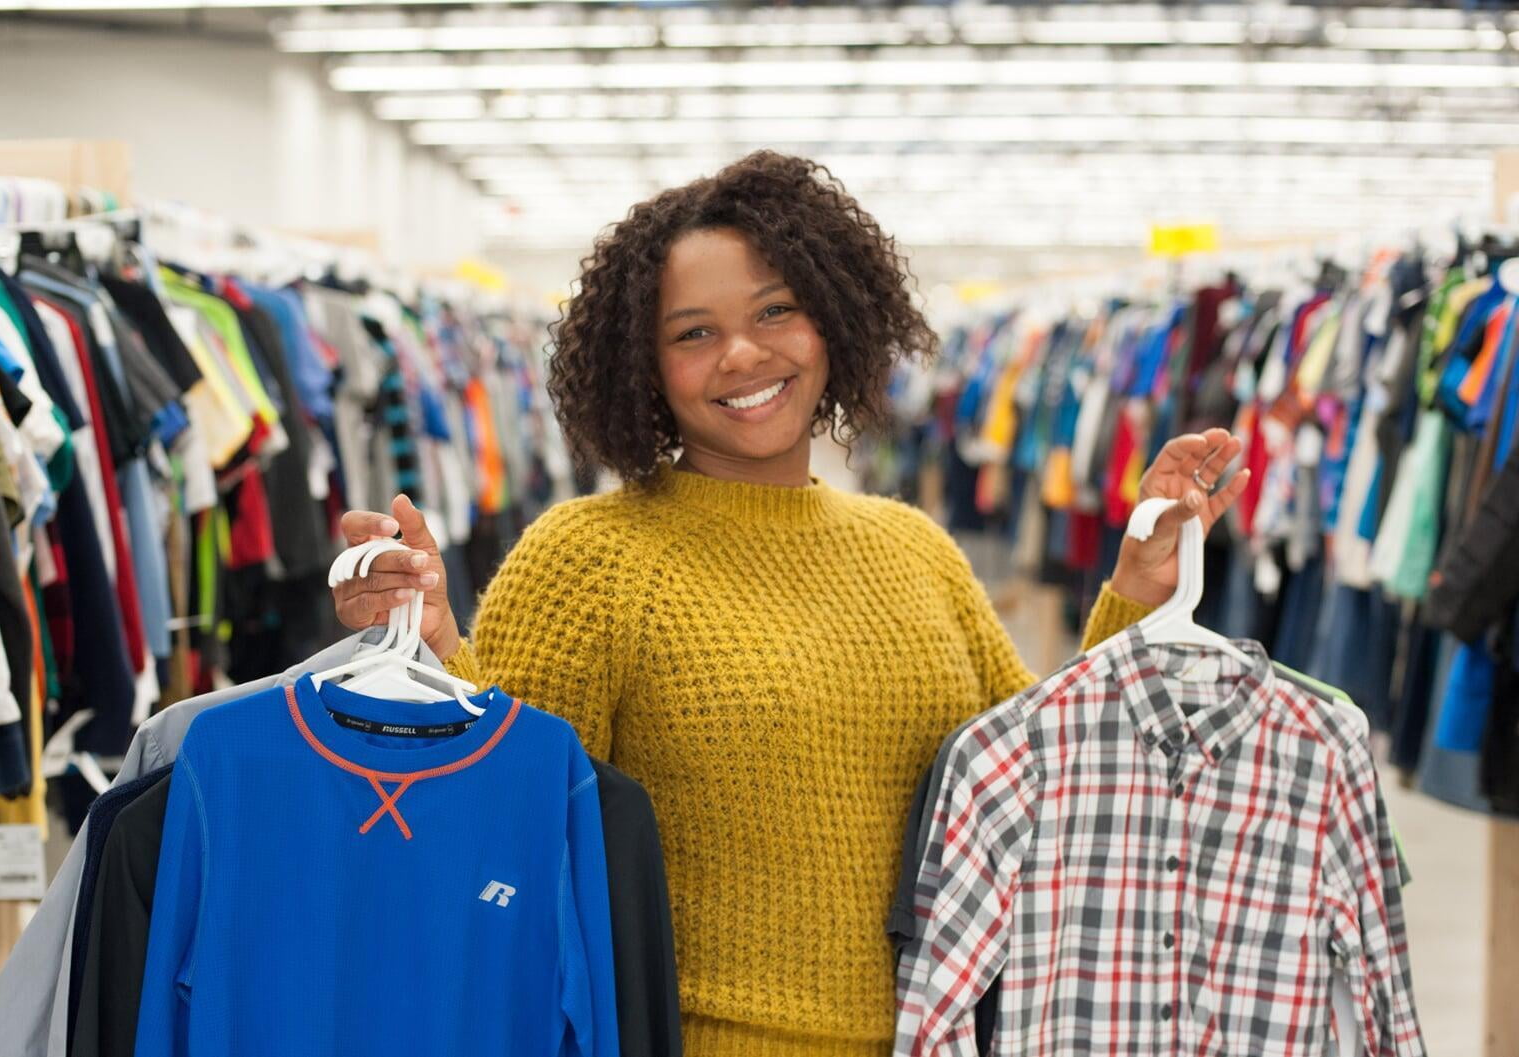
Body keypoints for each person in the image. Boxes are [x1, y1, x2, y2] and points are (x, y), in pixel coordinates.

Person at [332, 151, 1249, 1057]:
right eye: (693, 332)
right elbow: (509, 824)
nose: (743, 353)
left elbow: (1045, 779)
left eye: (777, 310)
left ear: (835, 320)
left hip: (933, 1033)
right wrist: (433, 645)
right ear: (643, 367)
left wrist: (1139, 586)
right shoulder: (589, 558)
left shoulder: (913, 549)